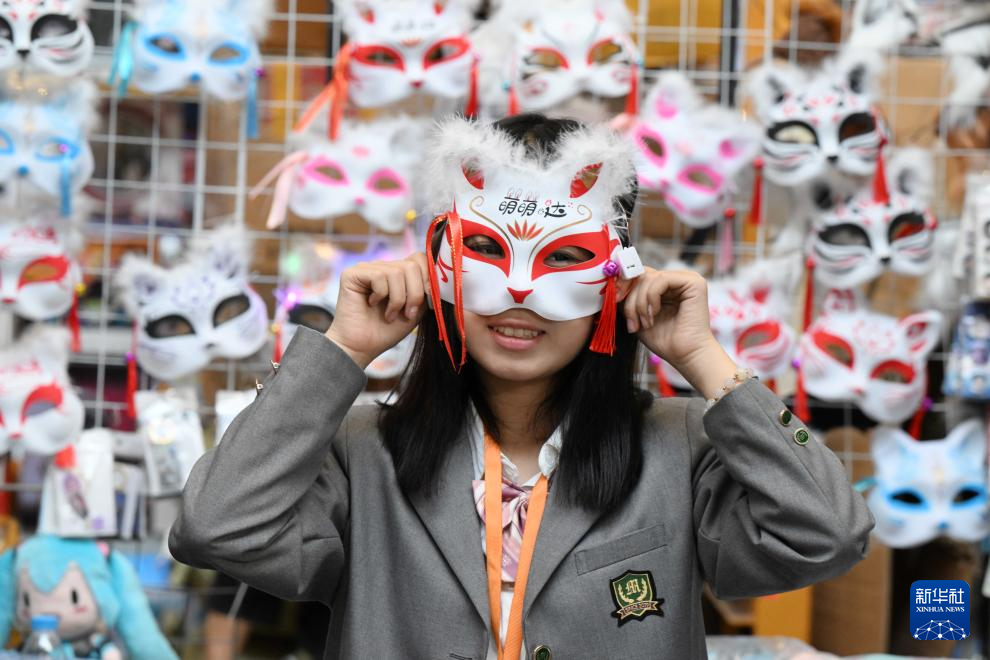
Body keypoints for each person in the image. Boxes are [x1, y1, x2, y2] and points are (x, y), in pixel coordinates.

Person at [169, 114, 873, 660]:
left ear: (616, 276)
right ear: (439, 265)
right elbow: (217, 527)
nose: (519, 292)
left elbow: (827, 534)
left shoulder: (678, 447)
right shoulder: (363, 453)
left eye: (564, 258)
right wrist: (342, 352)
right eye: (485, 250)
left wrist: (705, 359)